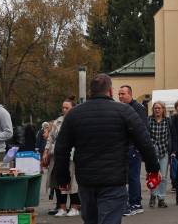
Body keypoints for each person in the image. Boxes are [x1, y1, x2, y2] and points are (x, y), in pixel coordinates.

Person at [52, 73, 160, 224]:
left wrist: (63, 178)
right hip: (113, 180)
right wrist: (153, 169)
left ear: (91, 91)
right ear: (110, 91)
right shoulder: (124, 111)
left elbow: (61, 149)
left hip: (87, 179)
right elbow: (145, 142)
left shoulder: (74, 114)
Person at [44, 98, 81, 217]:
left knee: (72, 181)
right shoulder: (57, 122)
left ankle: (75, 206)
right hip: (57, 155)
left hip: (71, 156)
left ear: (73, 108)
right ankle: (62, 207)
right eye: (63, 108)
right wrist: (46, 151)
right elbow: (50, 138)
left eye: (67, 108)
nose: (64, 110)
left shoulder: (78, 120)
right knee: (59, 181)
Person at [118, 85, 148, 216]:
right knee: (126, 177)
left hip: (133, 148)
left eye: (122, 94)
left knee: (133, 177)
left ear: (130, 94)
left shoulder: (138, 108)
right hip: (124, 148)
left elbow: (142, 129)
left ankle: (136, 204)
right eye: (119, 94)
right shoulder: (122, 108)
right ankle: (129, 203)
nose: (120, 96)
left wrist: (137, 147)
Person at [146, 102, 171, 209]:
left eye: (159, 108)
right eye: (155, 108)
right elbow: (145, 134)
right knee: (153, 176)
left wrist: (172, 149)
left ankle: (161, 199)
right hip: (152, 152)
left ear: (163, 110)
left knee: (163, 177)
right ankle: (153, 196)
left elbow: (171, 135)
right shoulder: (149, 120)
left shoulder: (167, 121)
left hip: (163, 151)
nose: (157, 110)